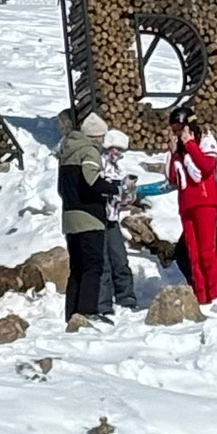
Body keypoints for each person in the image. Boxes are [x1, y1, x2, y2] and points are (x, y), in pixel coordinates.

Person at [57, 109, 112, 323]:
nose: (103, 142)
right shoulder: (89, 151)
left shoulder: (66, 151)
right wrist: (113, 189)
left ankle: (72, 314)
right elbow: (92, 180)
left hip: (70, 217)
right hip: (89, 217)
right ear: (95, 136)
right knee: (93, 265)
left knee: (77, 268)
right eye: (102, 137)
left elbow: (62, 187)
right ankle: (88, 311)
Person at [168, 111, 217, 304]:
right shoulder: (180, 149)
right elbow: (172, 177)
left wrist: (190, 145)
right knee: (193, 255)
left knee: (207, 251)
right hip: (187, 205)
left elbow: (207, 166)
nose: (177, 133)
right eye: (174, 130)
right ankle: (201, 296)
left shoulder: (205, 141)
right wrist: (174, 152)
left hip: (205, 201)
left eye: (179, 129)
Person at [97, 127, 144, 313]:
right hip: (98, 218)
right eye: (118, 150)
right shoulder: (98, 163)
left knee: (120, 259)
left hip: (112, 218)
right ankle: (104, 304)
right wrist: (115, 188)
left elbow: (117, 194)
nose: (120, 155)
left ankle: (127, 298)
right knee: (104, 263)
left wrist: (127, 194)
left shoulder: (116, 167)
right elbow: (98, 187)